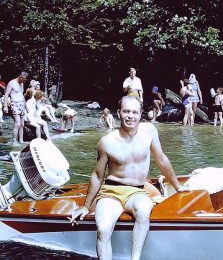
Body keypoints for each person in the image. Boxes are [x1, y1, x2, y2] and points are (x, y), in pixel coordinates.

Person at [70, 96, 187, 260]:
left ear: (140, 115)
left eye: (134, 112)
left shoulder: (150, 132)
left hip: (137, 192)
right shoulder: (106, 142)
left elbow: (161, 160)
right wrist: (85, 206)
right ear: (119, 113)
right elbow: (97, 175)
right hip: (111, 192)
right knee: (103, 229)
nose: (130, 116)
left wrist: (177, 186)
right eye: (126, 111)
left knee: (144, 210)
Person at [3, 72, 28, 145]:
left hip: (22, 105)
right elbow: (6, 94)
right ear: (20, 77)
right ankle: (14, 141)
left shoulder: (22, 84)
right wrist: (5, 106)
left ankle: (21, 140)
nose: (24, 81)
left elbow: (21, 94)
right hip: (15, 104)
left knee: (22, 124)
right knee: (17, 123)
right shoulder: (11, 83)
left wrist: (25, 105)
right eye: (23, 79)